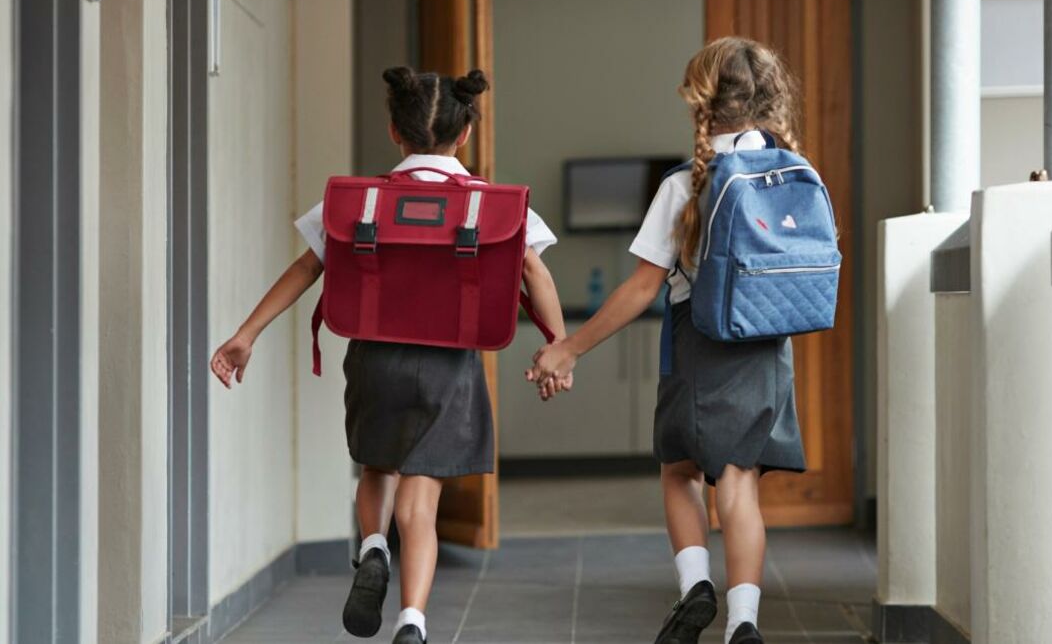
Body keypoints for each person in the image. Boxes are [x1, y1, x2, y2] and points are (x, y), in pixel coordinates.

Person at [211, 67, 569, 644]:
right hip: (449, 367)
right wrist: (560, 346)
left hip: (374, 360)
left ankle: (372, 547)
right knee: (421, 500)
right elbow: (534, 270)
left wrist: (246, 333)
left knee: (377, 467)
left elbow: (307, 268)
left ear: (393, 132)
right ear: (466, 135)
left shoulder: (360, 201)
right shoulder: (490, 203)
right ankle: (413, 621)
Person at [528, 37, 808, 644]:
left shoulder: (688, 184)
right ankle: (744, 624)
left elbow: (640, 289)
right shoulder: (794, 172)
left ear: (700, 101)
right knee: (739, 486)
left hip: (700, 345)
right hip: (768, 349)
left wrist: (568, 347)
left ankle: (695, 587)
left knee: (678, 472)